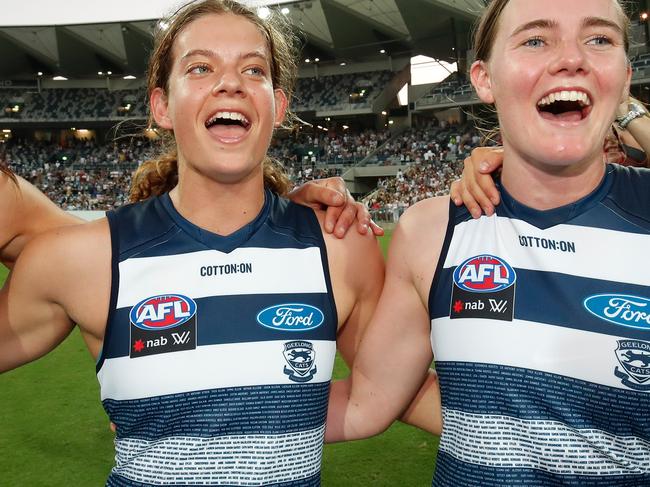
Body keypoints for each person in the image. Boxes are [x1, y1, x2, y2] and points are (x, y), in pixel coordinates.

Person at [0, 2, 385, 486]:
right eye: (201, 67)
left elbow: (379, 398)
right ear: (161, 105)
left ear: (279, 106)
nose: (231, 83)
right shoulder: (79, 260)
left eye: (253, 69)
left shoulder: (342, 248)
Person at [326, 1, 650, 485]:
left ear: (625, 75)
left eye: (599, 39)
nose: (571, 57)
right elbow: (371, 398)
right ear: (483, 78)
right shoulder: (431, 230)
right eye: (535, 39)